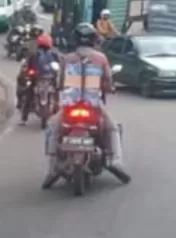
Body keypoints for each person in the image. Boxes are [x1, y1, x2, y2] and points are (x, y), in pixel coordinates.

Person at [42, 23, 125, 187]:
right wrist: (110, 88)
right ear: (94, 40)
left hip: (70, 105)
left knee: (52, 127)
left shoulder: (67, 58)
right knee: (113, 128)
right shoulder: (100, 58)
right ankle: (116, 161)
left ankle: (52, 168)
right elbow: (108, 82)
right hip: (93, 106)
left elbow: (59, 82)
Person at [15, 33, 60, 118]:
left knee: (29, 93)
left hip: (43, 77)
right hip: (42, 77)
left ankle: (24, 117)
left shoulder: (50, 54)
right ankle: (24, 116)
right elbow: (28, 66)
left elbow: (58, 66)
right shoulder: (51, 53)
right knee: (29, 92)